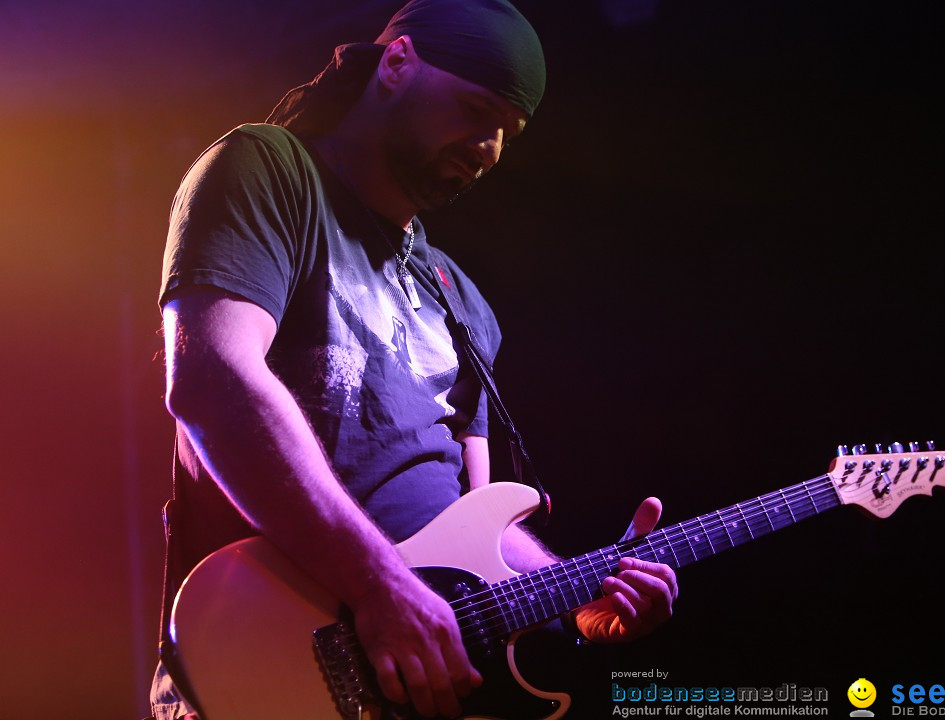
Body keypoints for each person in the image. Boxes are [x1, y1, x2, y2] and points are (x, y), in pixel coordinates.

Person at [150, 1, 678, 718]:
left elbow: (478, 529)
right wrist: (380, 587)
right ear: (396, 63)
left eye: (507, 133)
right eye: (472, 109)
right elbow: (214, 382)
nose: (488, 146)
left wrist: (581, 593)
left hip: (407, 687)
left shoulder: (460, 301)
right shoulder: (269, 171)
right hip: (261, 662)